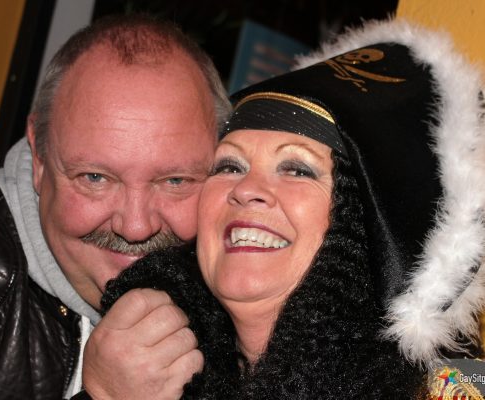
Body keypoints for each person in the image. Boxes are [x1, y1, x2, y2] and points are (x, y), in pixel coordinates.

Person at [86, 19, 485, 399]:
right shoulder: (139, 375)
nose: (246, 189)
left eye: (296, 169)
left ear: (361, 221)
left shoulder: (455, 388)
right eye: (229, 166)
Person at [0, 13, 231, 400]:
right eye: (95, 178)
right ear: (40, 157)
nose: (135, 227)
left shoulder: (235, 305)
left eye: (175, 181)